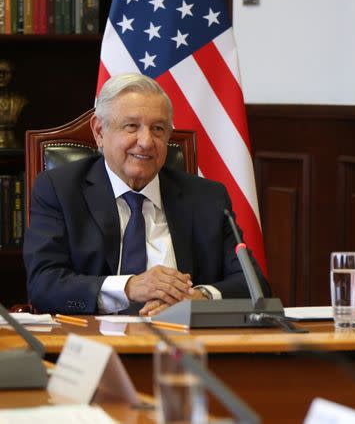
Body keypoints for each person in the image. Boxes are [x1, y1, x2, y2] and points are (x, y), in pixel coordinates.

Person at [23, 73, 270, 315]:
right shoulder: (60, 189)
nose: (146, 141)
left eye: (158, 129)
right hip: (94, 341)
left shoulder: (207, 197)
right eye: (131, 126)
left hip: (184, 343)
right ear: (99, 131)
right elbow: (44, 284)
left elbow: (253, 284)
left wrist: (198, 298)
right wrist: (129, 287)